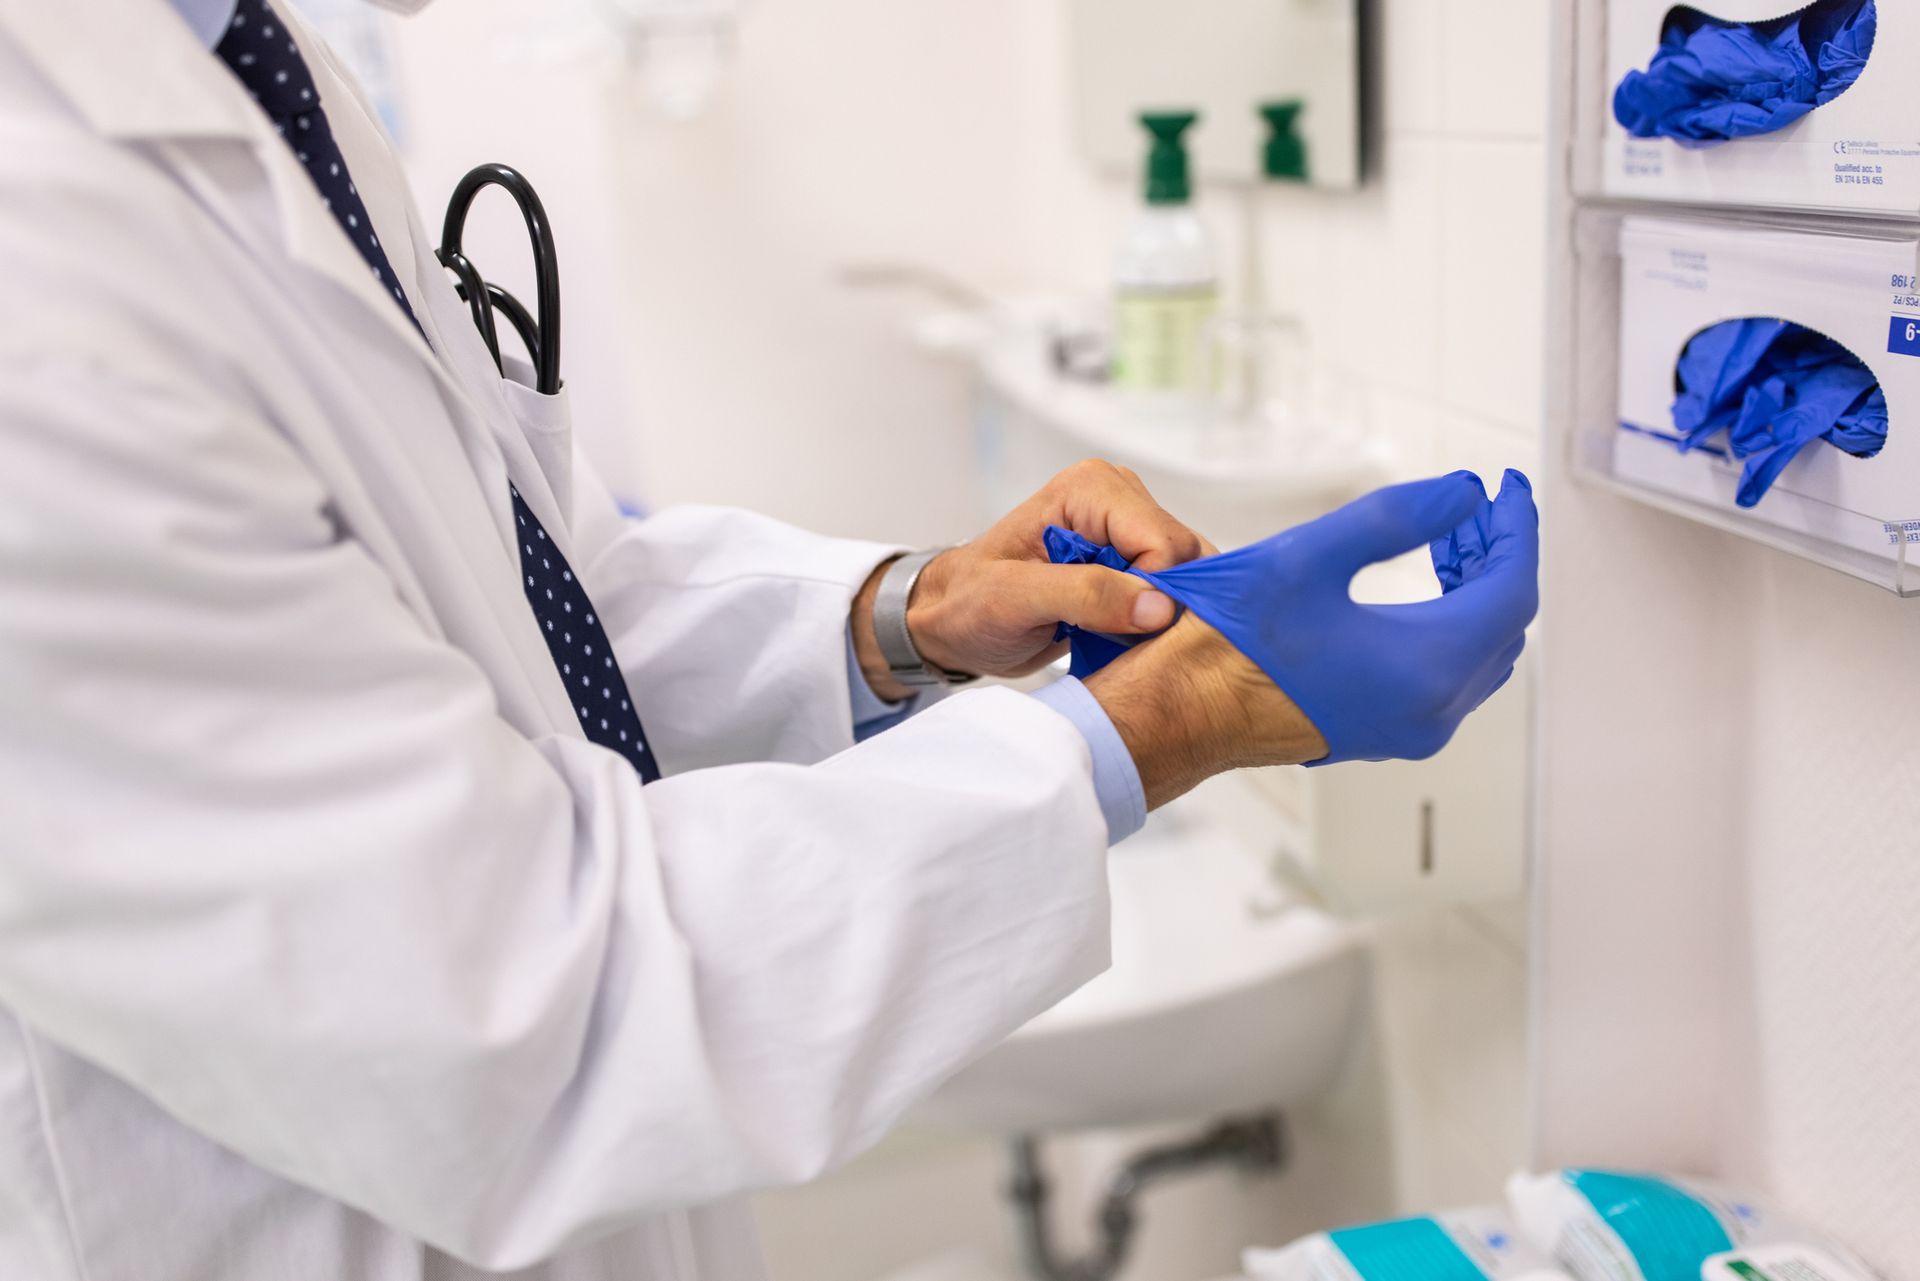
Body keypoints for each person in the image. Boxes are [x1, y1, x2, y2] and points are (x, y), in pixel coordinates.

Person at [0, 1, 1537, 1279]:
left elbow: (538, 613)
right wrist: (1167, 722)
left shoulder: (266, 82)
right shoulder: (44, 281)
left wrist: (906, 615)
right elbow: (526, 1005)